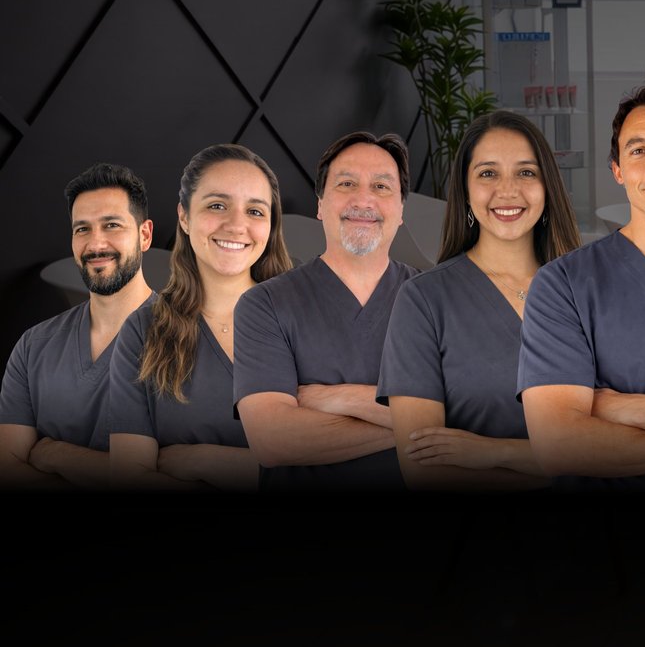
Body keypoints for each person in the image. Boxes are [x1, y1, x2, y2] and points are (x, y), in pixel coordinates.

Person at [519, 82, 645, 490]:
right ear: (618, 171)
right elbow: (558, 445)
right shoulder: (563, 285)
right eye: (639, 150)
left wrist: (620, 407)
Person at [378, 112, 580, 491]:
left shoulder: (586, 292)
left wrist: (494, 452)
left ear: (548, 187)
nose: (508, 190)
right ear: (466, 191)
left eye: (526, 172)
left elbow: (628, 444)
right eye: (488, 173)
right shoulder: (424, 301)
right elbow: (423, 470)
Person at [234, 131, 416, 490]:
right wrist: (424, 422)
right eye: (346, 183)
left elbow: (469, 418)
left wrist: (336, 398)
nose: (363, 200)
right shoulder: (265, 305)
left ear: (401, 211)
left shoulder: (435, 301)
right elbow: (272, 441)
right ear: (319, 205)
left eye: (381, 187)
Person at [107, 145, 292, 491]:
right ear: (185, 217)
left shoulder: (305, 322)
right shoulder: (143, 331)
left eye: (255, 211)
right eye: (217, 205)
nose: (237, 225)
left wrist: (206, 462)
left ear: (270, 226)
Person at [1, 164, 154, 489]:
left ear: (144, 235)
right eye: (82, 229)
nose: (96, 245)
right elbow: (7, 469)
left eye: (111, 225)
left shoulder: (195, 339)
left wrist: (56, 454)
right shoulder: (33, 346)